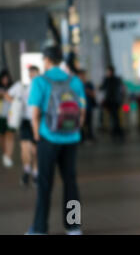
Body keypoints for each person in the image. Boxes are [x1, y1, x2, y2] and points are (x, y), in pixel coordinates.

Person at [27, 45, 86, 235]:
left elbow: (34, 112)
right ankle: (74, 227)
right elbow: (82, 110)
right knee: (71, 182)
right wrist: (75, 130)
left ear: (46, 60)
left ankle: (40, 229)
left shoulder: (40, 81)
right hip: (71, 138)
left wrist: (37, 134)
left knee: (45, 184)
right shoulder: (75, 81)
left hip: (48, 137)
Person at [6, 66, 40, 186]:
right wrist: (16, 103)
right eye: (30, 73)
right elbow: (7, 94)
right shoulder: (21, 85)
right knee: (25, 148)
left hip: (37, 121)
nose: (31, 75)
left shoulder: (40, 85)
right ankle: (26, 170)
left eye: (34, 72)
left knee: (35, 150)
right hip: (24, 121)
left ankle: (36, 173)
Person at [100, 66, 125, 139]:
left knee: (114, 117)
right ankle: (117, 131)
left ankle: (117, 131)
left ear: (110, 71)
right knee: (115, 116)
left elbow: (102, 88)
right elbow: (121, 90)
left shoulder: (108, 80)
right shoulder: (117, 79)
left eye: (107, 71)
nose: (107, 73)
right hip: (116, 101)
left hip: (112, 101)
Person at [0, 69, 16, 168]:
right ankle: (5, 154)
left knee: (10, 136)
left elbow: (16, 101)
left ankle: (8, 156)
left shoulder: (14, 88)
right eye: (3, 78)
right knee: (2, 137)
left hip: (11, 116)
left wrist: (7, 96)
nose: (5, 80)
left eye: (7, 78)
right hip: (1, 116)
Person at [77, 69, 97, 143]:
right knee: (80, 123)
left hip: (88, 107)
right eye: (80, 76)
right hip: (79, 108)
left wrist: (87, 91)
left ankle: (90, 137)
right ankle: (82, 137)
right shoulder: (77, 84)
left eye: (82, 75)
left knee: (89, 124)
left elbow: (93, 94)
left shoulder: (89, 84)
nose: (81, 77)